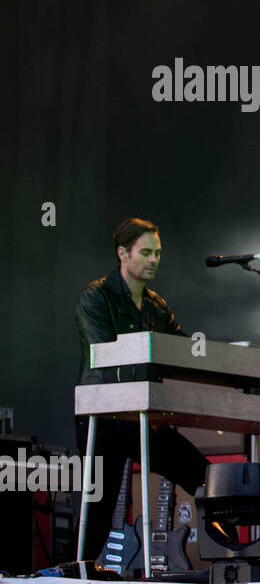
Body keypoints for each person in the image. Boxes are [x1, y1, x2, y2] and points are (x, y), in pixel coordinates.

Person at [75, 218, 209, 559]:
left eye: (158, 253)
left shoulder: (156, 306)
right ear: (123, 253)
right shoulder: (95, 297)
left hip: (143, 418)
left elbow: (181, 351)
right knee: (98, 512)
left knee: (203, 476)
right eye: (146, 252)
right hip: (103, 418)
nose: (154, 260)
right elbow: (104, 353)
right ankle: (80, 576)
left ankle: (239, 557)